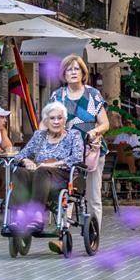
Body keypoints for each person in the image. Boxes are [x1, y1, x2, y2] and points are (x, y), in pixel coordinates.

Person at [49, 55, 110, 227]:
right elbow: (50, 122)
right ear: (64, 74)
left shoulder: (93, 94)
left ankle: (94, 234)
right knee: (66, 193)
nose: (73, 72)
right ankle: (62, 233)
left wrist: (95, 131)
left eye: (76, 69)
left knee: (93, 196)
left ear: (83, 72)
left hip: (91, 150)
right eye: (69, 69)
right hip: (67, 152)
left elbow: (105, 123)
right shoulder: (58, 96)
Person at [6, 101, 84, 235]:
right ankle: (19, 215)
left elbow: (77, 158)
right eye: (52, 118)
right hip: (39, 175)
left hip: (62, 175)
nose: (56, 121)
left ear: (65, 120)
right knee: (20, 171)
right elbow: (20, 155)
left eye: (59, 118)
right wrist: (26, 161)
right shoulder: (39, 136)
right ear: (46, 121)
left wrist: (49, 165)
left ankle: (37, 216)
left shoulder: (73, 135)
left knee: (41, 170)